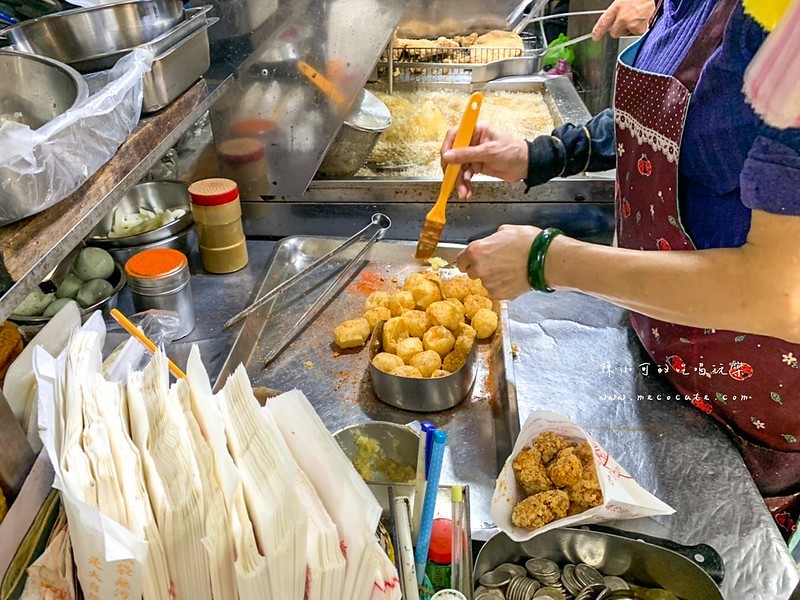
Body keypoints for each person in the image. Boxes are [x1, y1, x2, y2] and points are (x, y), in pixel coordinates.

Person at [441, 0, 800, 537]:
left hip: (746, 404)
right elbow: (686, 124)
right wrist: (546, 153)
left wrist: (546, 260)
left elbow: (782, 293)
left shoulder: (787, 29)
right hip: (657, 345)